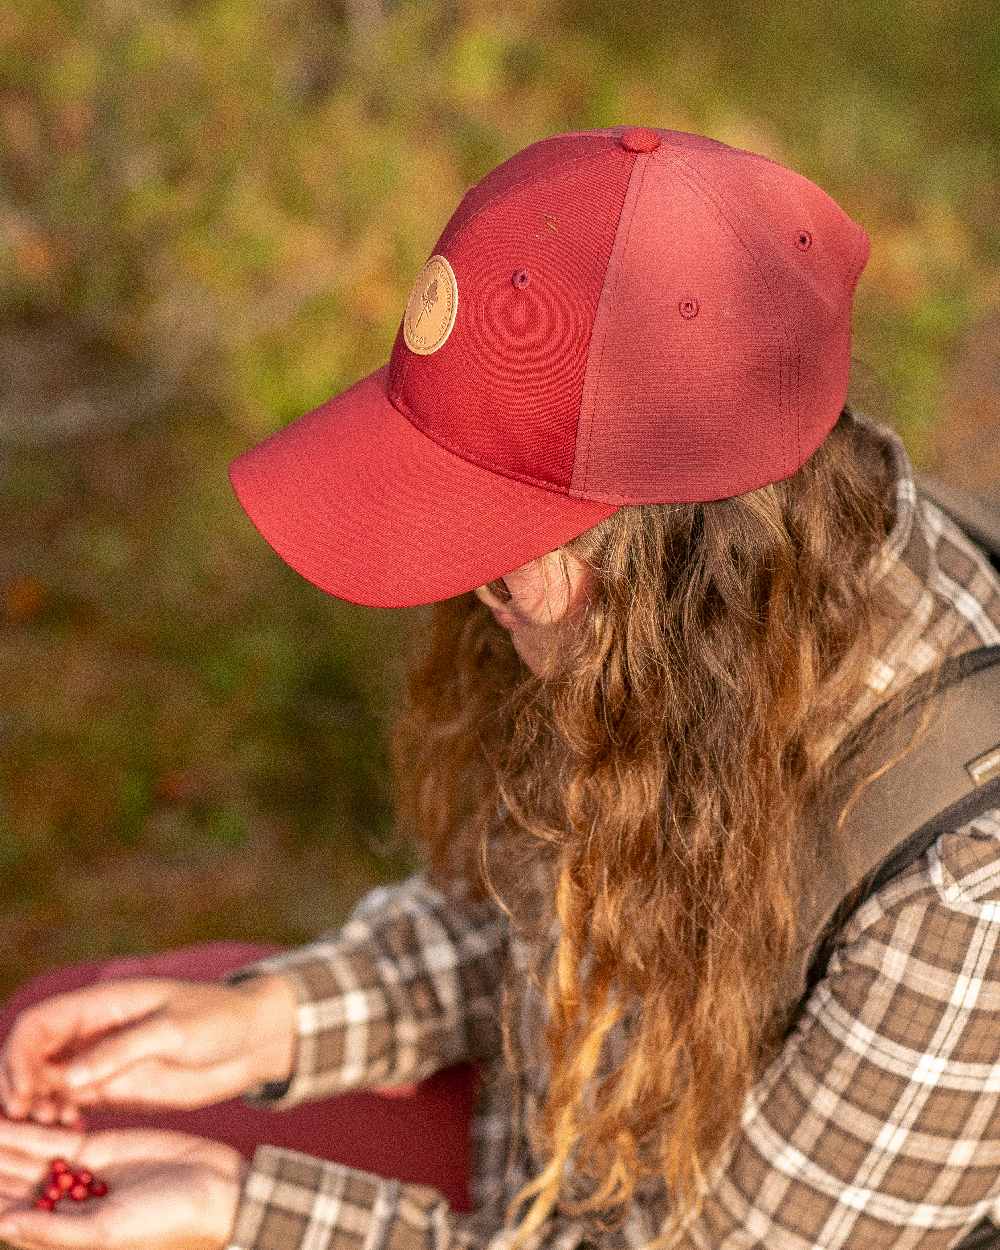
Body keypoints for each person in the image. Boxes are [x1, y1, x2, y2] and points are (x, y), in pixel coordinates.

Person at [1, 124, 999, 1250]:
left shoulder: (964, 886)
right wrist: (274, 1020)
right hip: (547, 1147)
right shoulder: (694, 613)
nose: (469, 586)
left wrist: (247, 1213)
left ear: (669, 567)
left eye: (498, 555)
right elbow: (554, 914)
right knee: (63, 1052)